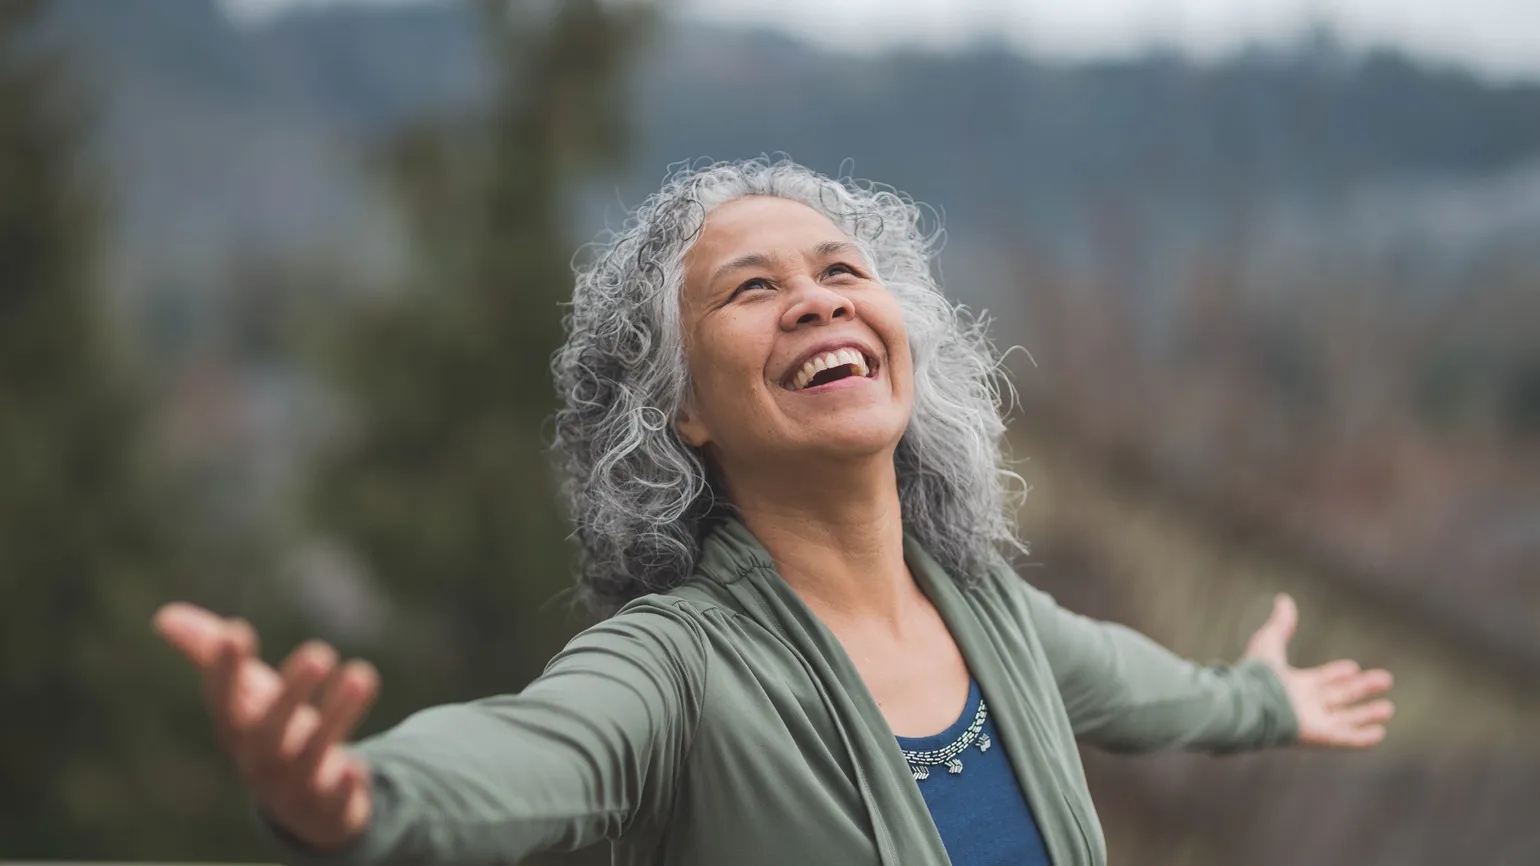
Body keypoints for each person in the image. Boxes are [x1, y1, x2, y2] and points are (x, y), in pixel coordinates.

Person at [154, 158, 1395, 866]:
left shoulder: (995, 619)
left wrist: (1268, 700)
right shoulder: (675, 666)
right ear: (680, 408)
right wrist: (354, 799)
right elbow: (533, 751)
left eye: (842, 271)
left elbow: (1147, 687)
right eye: (751, 289)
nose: (817, 301)